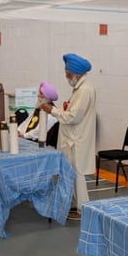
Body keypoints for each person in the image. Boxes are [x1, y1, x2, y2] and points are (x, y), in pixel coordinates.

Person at [38, 53, 97, 221]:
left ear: (76, 73)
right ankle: (76, 205)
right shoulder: (79, 89)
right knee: (73, 174)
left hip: (76, 140)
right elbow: (70, 111)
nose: (66, 76)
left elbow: (73, 117)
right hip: (72, 139)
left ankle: (83, 209)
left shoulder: (85, 90)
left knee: (78, 176)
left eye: (67, 73)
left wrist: (52, 110)